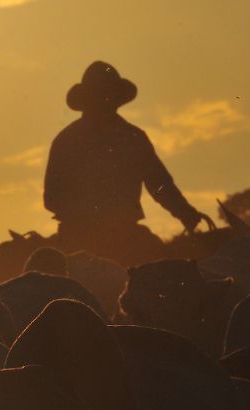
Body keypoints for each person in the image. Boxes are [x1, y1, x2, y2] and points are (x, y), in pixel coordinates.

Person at [43, 61, 214, 264]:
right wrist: (186, 214)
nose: (105, 101)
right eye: (101, 95)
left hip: (95, 237)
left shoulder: (71, 139)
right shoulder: (131, 137)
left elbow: (159, 184)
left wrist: (186, 213)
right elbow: (160, 185)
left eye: (108, 95)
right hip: (97, 238)